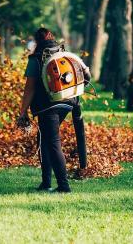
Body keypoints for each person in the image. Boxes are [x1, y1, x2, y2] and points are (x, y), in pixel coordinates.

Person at [18, 27, 89, 193]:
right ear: (52, 38)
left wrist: (22, 112)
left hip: (47, 106)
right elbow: (86, 73)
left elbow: (30, 88)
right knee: (43, 138)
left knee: (53, 142)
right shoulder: (64, 53)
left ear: (37, 42)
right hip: (68, 102)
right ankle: (46, 183)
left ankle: (64, 187)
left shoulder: (36, 59)